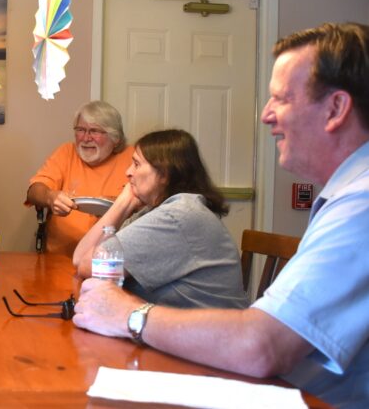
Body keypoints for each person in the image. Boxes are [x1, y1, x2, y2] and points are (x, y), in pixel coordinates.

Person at [72, 22, 369, 407]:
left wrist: (130, 315)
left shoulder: (360, 206)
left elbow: (263, 344)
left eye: (282, 98)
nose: (266, 115)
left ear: (336, 109)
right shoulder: (347, 194)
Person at [73, 129, 248, 309]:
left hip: (210, 333)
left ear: (164, 174)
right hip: (186, 328)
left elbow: (89, 266)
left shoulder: (177, 216)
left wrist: (123, 201)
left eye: (136, 164)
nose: (128, 172)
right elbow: (79, 259)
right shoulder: (160, 210)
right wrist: (126, 203)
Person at [25, 101, 134, 255]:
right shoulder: (66, 152)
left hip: (113, 261)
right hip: (60, 260)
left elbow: (152, 202)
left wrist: (120, 205)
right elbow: (34, 190)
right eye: (81, 130)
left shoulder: (133, 158)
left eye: (95, 131)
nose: (86, 138)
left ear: (115, 138)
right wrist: (50, 197)